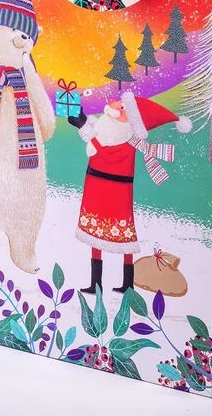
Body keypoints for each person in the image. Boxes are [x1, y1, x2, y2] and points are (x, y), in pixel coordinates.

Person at [69, 92, 191, 293]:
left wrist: (84, 128)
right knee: (95, 233)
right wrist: (84, 121)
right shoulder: (111, 129)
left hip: (115, 192)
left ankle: (127, 283)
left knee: (124, 237)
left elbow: (105, 152)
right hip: (98, 187)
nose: (114, 105)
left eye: (123, 108)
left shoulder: (127, 141)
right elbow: (100, 134)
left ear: (132, 122)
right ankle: (96, 283)